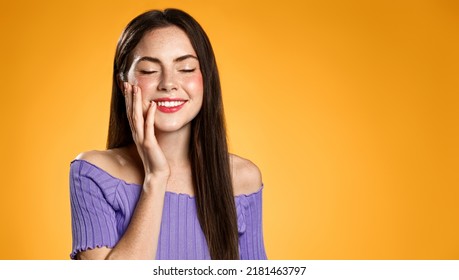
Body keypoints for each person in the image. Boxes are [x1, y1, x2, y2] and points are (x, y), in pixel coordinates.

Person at [69, 8, 267, 260]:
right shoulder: (93, 173)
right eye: (149, 71)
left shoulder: (242, 179)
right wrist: (156, 177)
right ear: (123, 84)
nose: (168, 83)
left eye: (185, 68)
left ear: (207, 79)